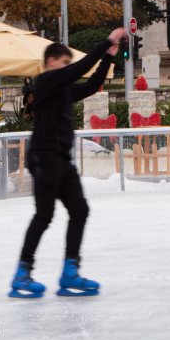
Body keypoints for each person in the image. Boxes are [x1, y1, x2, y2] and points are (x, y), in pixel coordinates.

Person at [9, 30, 125, 299]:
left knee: (80, 210)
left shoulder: (62, 89)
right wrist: (107, 42)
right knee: (44, 215)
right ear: (52, 62)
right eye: (64, 62)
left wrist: (108, 58)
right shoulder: (46, 81)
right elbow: (81, 69)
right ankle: (21, 274)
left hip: (62, 160)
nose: (67, 68)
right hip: (44, 158)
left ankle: (69, 272)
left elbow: (93, 84)